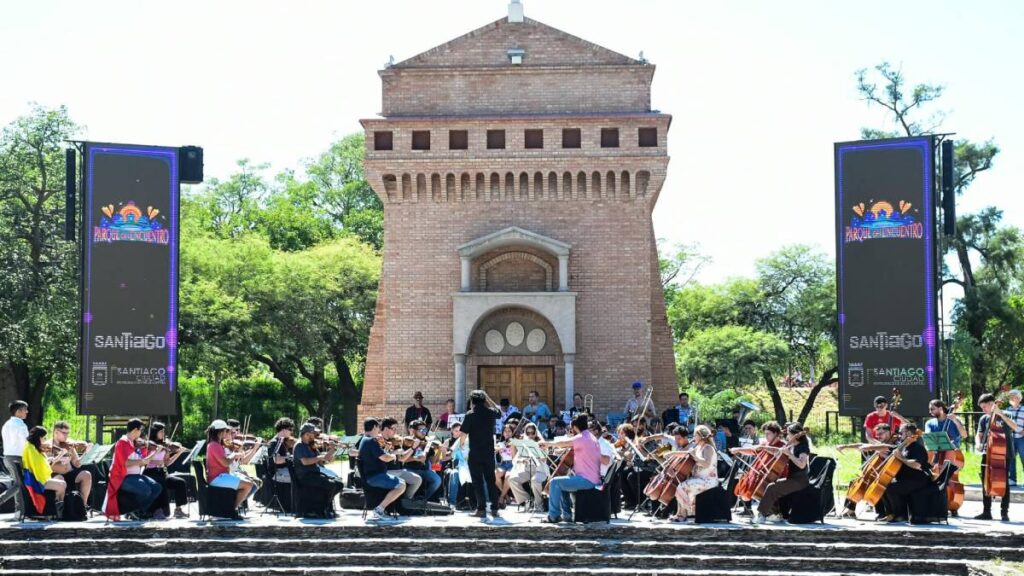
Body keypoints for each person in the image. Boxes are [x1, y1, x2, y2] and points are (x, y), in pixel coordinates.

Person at [539, 415, 607, 523]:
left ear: (575, 427)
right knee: (562, 482)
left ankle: (553, 516)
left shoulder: (581, 438)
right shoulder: (591, 437)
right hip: (592, 479)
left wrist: (547, 444)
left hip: (587, 480)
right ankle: (566, 515)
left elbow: (563, 443)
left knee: (554, 482)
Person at [752, 422, 811, 524]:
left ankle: (762, 515)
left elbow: (802, 464)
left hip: (800, 480)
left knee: (772, 487)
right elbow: (778, 452)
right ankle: (775, 514)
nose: (787, 436)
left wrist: (789, 454)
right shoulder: (791, 446)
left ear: (795, 435)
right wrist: (765, 448)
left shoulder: (802, 447)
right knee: (767, 485)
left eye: (789, 434)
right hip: (792, 478)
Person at [105, 418, 162, 520]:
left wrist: (155, 452)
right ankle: (130, 510)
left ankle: (138, 511)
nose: (141, 433)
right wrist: (141, 462)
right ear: (135, 430)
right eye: (140, 430)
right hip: (123, 477)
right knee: (146, 490)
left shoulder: (137, 444)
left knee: (157, 487)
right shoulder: (123, 442)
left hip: (136, 476)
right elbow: (124, 462)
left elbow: (145, 461)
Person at [835, 423, 895, 519]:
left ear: (889, 432)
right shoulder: (880, 444)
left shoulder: (894, 443)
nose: (878, 437)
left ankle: (883, 513)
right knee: (855, 482)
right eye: (877, 434)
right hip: (877, 475)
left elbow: (889, 451)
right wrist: (844, 446)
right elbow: (862, 445)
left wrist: (873, 448)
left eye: (881, 434)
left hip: (892, 476)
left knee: (875, 487)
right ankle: (851, 510)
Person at [975, 393, 1019, 521]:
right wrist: (978, 444)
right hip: (987, 454)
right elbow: (979, 433)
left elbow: (1015, 427)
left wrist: (1000, 414)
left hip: (1005, 453)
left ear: (991, 404)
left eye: (984, 407)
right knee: (985, 481)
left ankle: (1004, 512)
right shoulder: (984, 418)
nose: (983, 410)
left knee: (1004, 482)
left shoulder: (1006, 414)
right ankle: (986, 511)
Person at [461, 389, 502, 518]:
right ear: (484, 400)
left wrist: (462, 444)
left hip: (475, 453)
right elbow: (499, 412)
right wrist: (488, 398)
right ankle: (495, 508)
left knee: (478, 481)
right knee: (491, 481)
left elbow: (463, 434)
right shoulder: (490, 413)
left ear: (472, 401)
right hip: (489, 453)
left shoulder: (470, 414)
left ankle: (481, 509)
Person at [879, 422, 932, 523]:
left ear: (908, 433)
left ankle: (900, 515)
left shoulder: (917, 448)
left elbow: (917, 465)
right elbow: (894, 455)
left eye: (900, 433)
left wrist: (901, 458)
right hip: (905, 478)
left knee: (891, 488)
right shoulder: (903, 446)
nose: (899, 435)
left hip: (916, 480)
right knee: (882, 485)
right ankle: (890, 514)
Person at [730, 421, 783, 517]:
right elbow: (752, 450)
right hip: (762, 474)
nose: (766, 436)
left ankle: (772, 511)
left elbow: (778, 452)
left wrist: (764, 447)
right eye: (765, 434)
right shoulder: (766, 443)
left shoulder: (781, 445)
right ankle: (755, 510)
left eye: (768, 434)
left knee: (761, 488)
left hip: (775, 476)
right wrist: (738, 450)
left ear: (775, 433)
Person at [357, 417, 407, 521]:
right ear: (374, 427)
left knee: (401, 482)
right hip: (375, 477)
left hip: (373, 475)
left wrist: (386, 451)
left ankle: (384, 509)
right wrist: (393, 456)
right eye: (378, 428)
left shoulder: (364, 440)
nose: (379, 430)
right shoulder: (371, 441)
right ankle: (380, 509)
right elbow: (384, 457)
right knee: (401, 485)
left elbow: (378, 455)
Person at [669, 425, 718, 523]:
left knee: (681, 487)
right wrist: (671, 454)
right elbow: (686, 453)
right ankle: (682, 513)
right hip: (699, 478)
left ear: (701, 436)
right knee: (681, 486)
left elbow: (706, 463)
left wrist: (695, 456)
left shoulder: (708, 448)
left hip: (708, 480)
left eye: (695, 435)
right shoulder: (699, 447)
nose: (693, 437)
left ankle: (682, 515)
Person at [292, 423, 343, 516]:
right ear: (306, 434)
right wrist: (319, 457)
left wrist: (333, 449)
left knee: (339, 484)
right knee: (331, 485)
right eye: (313, 433)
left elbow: (326, 459)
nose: (316, 436)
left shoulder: (310, 445)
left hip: (315, 473)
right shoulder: (300, 445)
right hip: (305, 475)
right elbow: (305, 462)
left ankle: (324, 507)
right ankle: (322, 508)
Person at [206, 419, 253, 518]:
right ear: (220, 431)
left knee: (248, 483)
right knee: (248, 485)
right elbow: (225, 462)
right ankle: (230, 510)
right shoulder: (214, 445)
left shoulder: (216, 444)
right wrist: (235, 455)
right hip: (217, 478)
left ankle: (229, 509)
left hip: (221, 476)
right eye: (225, 431)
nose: (227, 433)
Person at [143, 421, 189, 519]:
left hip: (162, 473)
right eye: (161, 432)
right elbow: (144, 462)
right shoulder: (148, 446)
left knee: (180, 482)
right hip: (150, 473)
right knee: (161, 483)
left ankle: (178, 510)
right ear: (155, 432)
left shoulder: (165, 446)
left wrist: (178, 453)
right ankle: (158, 510)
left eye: (164, 432)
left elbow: (167, 463)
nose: (163, 434)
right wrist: (156, 461)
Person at [21, 426, 67, 516]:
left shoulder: (32, 447)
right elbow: (39, 467)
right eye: (44, 437)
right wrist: (50, 460)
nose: (45, 440)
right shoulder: (31, 449)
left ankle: (55, 506)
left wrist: (52, 458)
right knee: (62, 485)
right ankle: (59, 510)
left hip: (36, 477)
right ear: (39, 437)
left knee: (60, 477)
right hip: (36, 480)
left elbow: (41, 463)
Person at [49, 420, 94, 510]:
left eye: (68, 433)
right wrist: (59, 458)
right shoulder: (48, 445)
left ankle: (83, 505)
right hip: (55, 474)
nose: (67, 436)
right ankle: (58, 508)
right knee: (60, 479)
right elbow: (47, 464)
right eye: (64, 433)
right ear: (56, 432)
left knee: (86, 474)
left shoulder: (69, 445)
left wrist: (86, 452)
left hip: (69, 473)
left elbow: (77, 464)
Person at [507, 422, 548, 511]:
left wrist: (538, 454)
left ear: (536, 433)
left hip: (540, 470)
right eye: (528, 433)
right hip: (527, 469)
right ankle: (527, 501)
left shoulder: (541, 443)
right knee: (512, 479)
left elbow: (545, 459)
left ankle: (539, 505)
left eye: (532, 433)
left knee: (535, 481)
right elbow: (514, 460)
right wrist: (522, 460)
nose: (530, 435)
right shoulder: (524, 444)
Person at [1, 400, 30, 515]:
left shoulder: (7, 424)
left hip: (7, 457)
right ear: (18, 411)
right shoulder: (20, 425)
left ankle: (19, 511)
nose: (27, 412)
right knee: (20, 484)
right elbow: (27, 443)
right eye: (25, 410)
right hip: (17, 458)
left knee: (17, 484)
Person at [402, 419, 442, 502]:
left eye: (425, 430)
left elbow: (434, 462)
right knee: (416, 478)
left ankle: (423, 499)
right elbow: (402, 460)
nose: (424, 432)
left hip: (424, 469)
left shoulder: (427, 442)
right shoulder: (407, 442)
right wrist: (415, 458)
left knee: (437, 480)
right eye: (421, 430)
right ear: (413, 431)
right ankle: (406, 500)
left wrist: (440, 450)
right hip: (410, 469)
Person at [444, 423, 471, 508]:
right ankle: (452, 502)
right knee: (454, 474)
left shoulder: (467, 441)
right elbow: (445, 457)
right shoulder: (449, 441)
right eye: (456, 431)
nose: (459, 433)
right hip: (453, 466)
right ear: (452, 431)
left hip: (467, 466)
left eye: (460, 431)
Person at [1005, 390, 1024, 487]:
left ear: (1019, 398)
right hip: (1011, 438)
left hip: (1022, 438)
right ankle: (1012, 479)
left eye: (1013, 396)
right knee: (1011, 459)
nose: (1011, 399)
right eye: (1010, 397)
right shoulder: (1007, 410)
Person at [494, 423, 516, 507]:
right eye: (505, 431)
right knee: (495, 474)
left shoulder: (515, 443)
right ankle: (506, 496)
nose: (507, 433)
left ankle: (501, 497)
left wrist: (512, 447)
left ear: (512, 433)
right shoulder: (501, 443)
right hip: (503, 464)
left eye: (509, 431)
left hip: (512, 464)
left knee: (508, 476)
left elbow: (514, 458)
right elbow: (495, 448)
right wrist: (498, 449)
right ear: (503, 433)